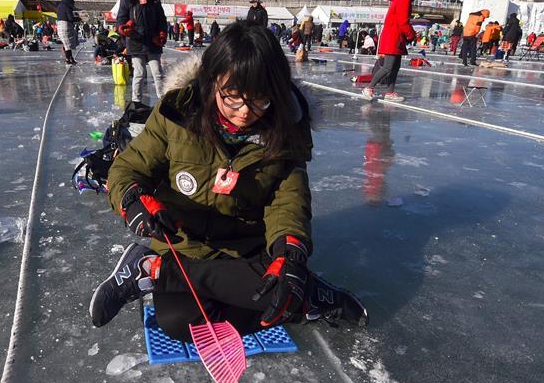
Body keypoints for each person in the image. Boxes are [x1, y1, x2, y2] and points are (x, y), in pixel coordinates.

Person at [89, 21, 367, 340]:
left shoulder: (286, 130)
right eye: (232, 97)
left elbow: (288, 202)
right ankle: (305, 296)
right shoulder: (177, 115)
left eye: (259, 99)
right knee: (180, 322)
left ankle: (153, 270)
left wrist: (289, 254)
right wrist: (133, 200)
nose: (245, 111)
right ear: (212, 82)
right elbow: (127, 168)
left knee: (279, 293)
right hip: (185, 243)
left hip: (246, 251)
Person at [117, 0, 167, 105]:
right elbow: (120, 20)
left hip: (153, 42)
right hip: (135, 43)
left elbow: (162, 20)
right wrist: (124, 28)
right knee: (139, 73)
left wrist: (162, 34)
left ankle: (163, 102)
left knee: (157, 73)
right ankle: (136, 103)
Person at [362, 0, 417, 102]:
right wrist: (411, 34)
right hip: (394, 36)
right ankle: (369, 87)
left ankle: (390, 92)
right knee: (388, 66)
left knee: (395, 67)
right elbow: (403, 20)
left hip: (395, 35)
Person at [56, 0, 78, 64]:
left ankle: (69, 58)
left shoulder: (59, 6)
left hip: (59, 26)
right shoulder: (67, 7)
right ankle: (68, 59)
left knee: (66, 44)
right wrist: (78, 18)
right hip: (66, 26)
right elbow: (70, 18)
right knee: (68, 44)